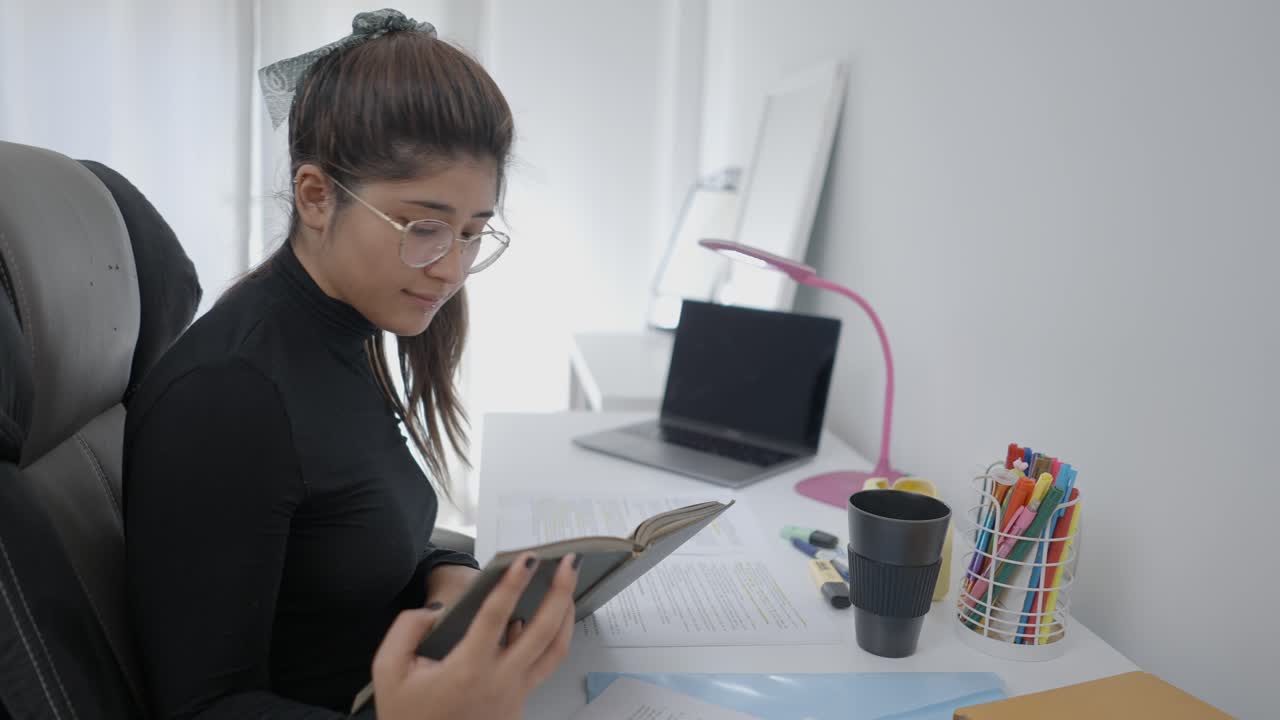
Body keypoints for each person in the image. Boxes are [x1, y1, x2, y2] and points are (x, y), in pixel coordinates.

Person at [123, 10, 575, 718]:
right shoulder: (227, 397)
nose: (452, 267)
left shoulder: (346, 333)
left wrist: (448, 575)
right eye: (424, 228)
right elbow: (203, 709)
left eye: (472, 232)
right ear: (315, 195)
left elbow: (351, 534)